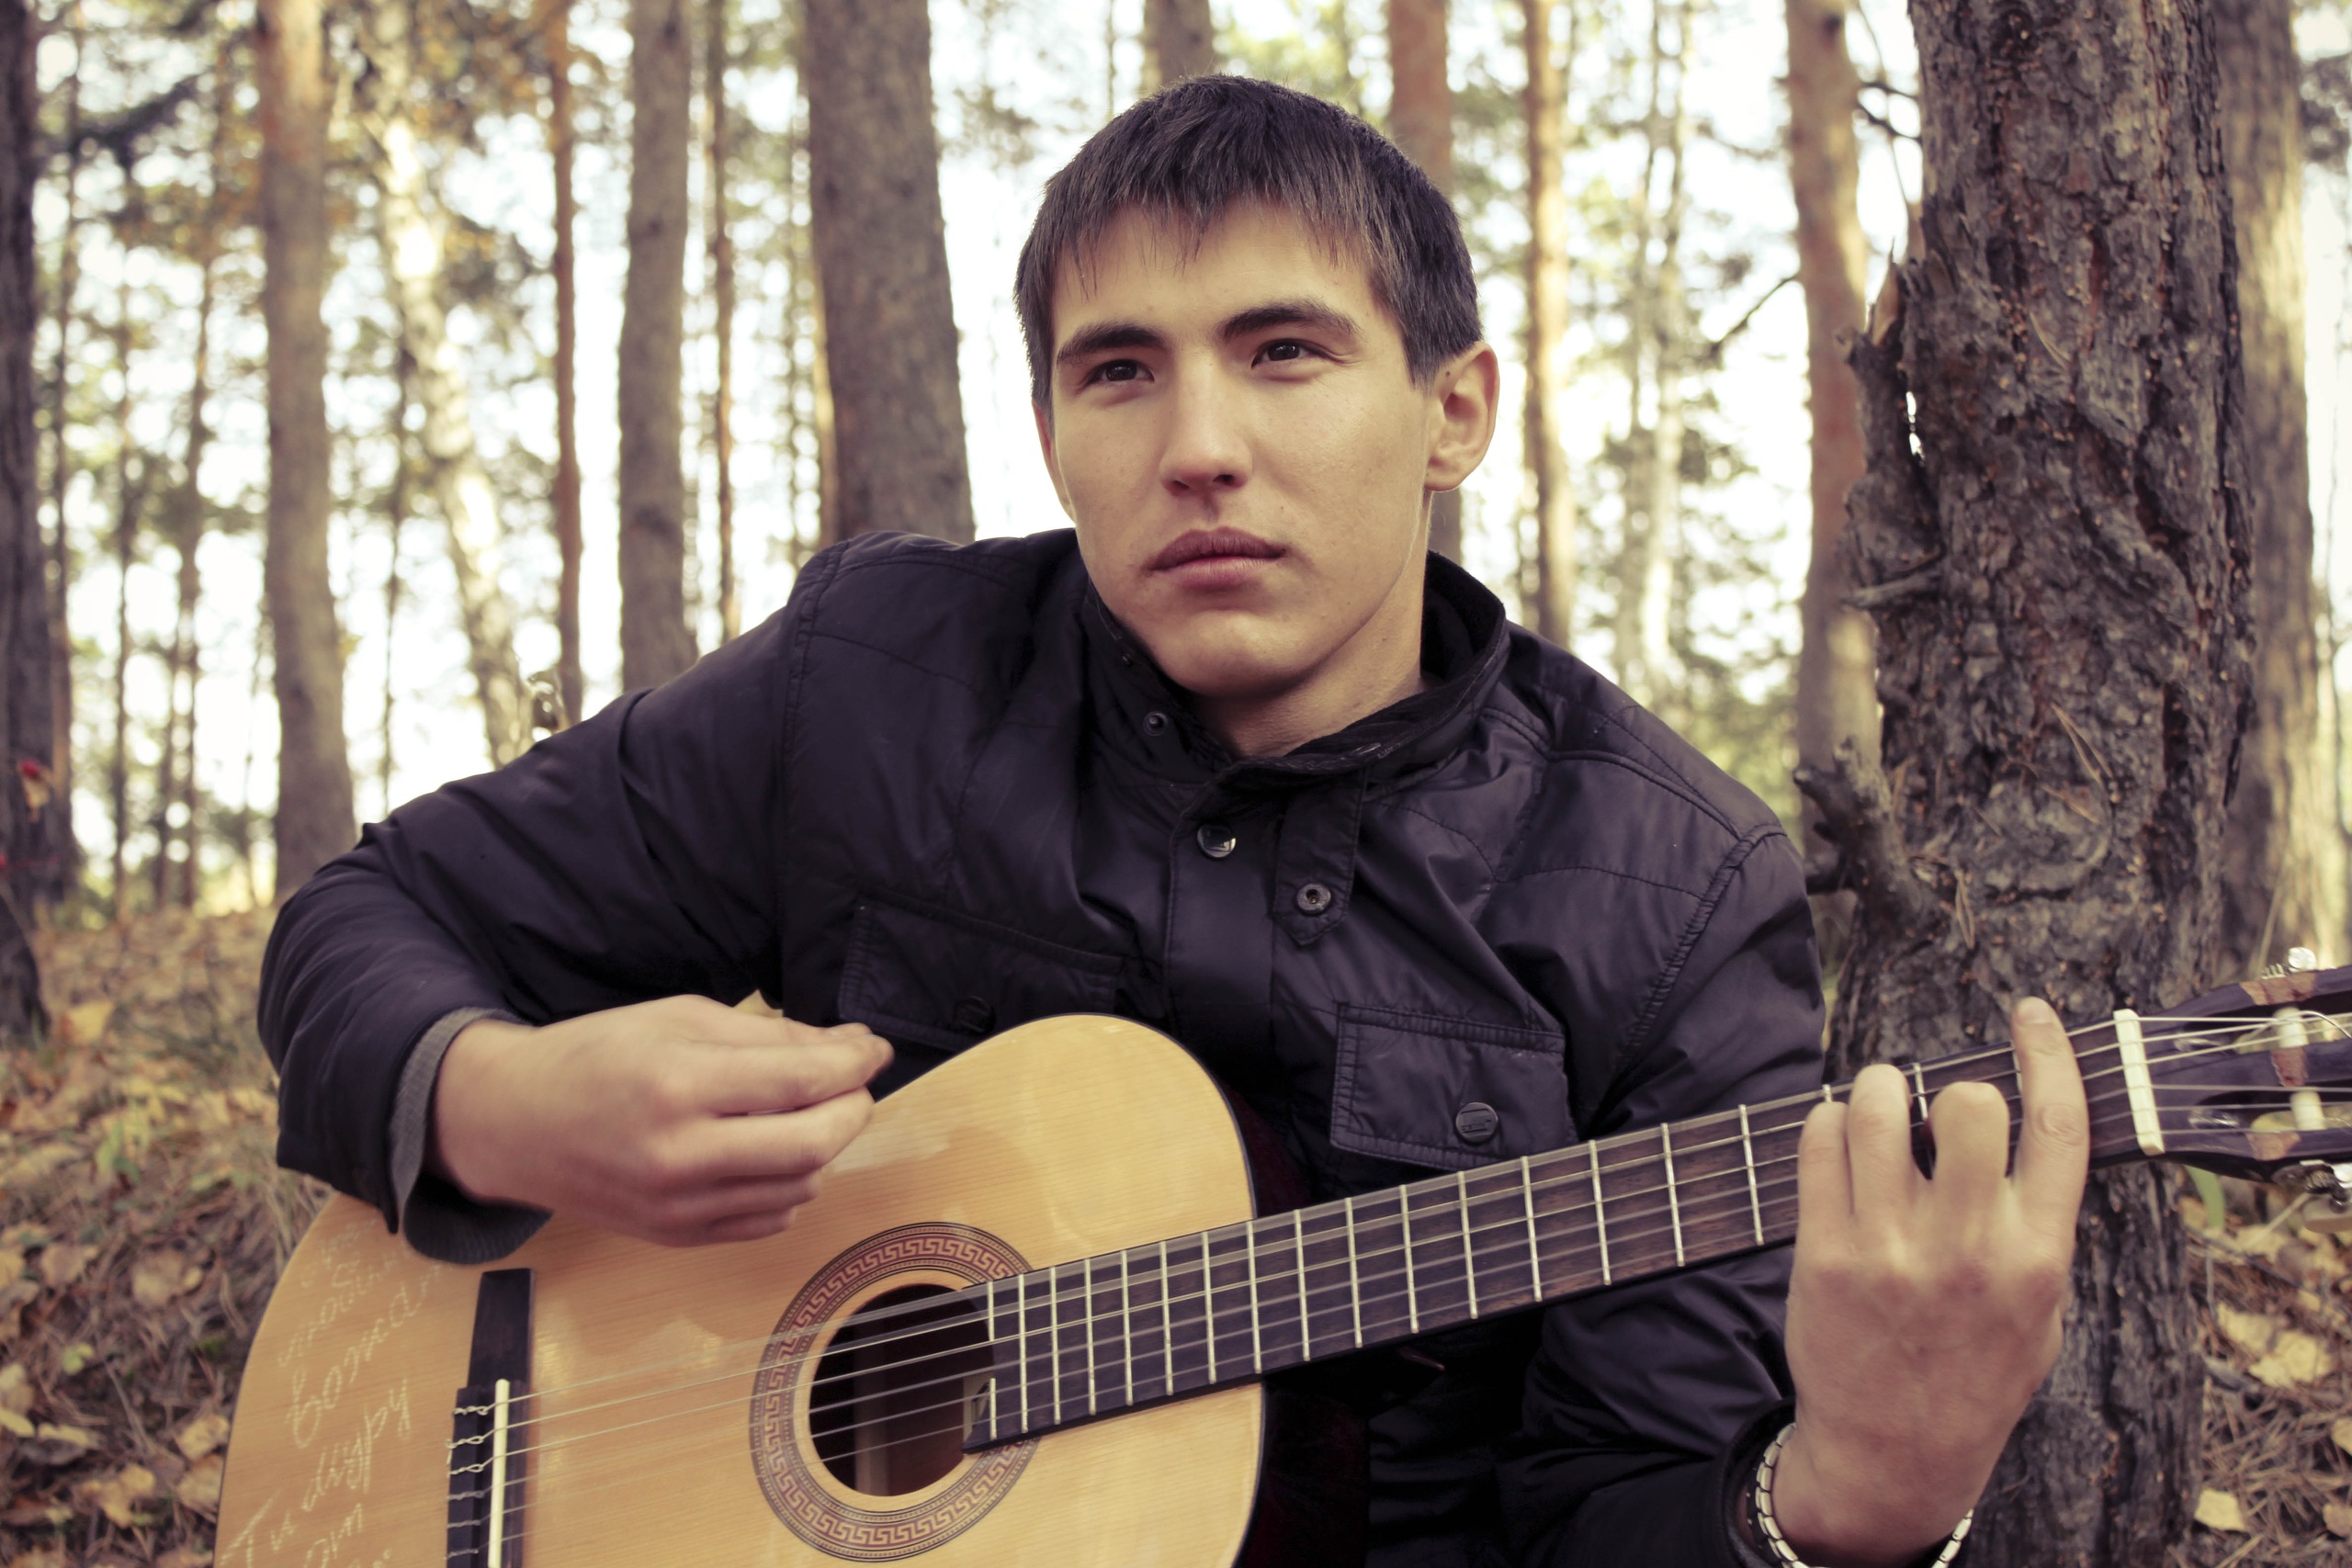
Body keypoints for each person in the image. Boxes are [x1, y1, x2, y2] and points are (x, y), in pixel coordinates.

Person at [258, 76, 2086, 1568]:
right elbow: (369, 919)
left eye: (1283, 352)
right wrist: (501, 1100)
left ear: (1452, 411)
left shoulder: (1667, 894)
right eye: (1118, 369)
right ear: (1053, 428)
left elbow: (1609, 1512)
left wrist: (1850, 1502)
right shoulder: (874, 681)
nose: (1195, 444)